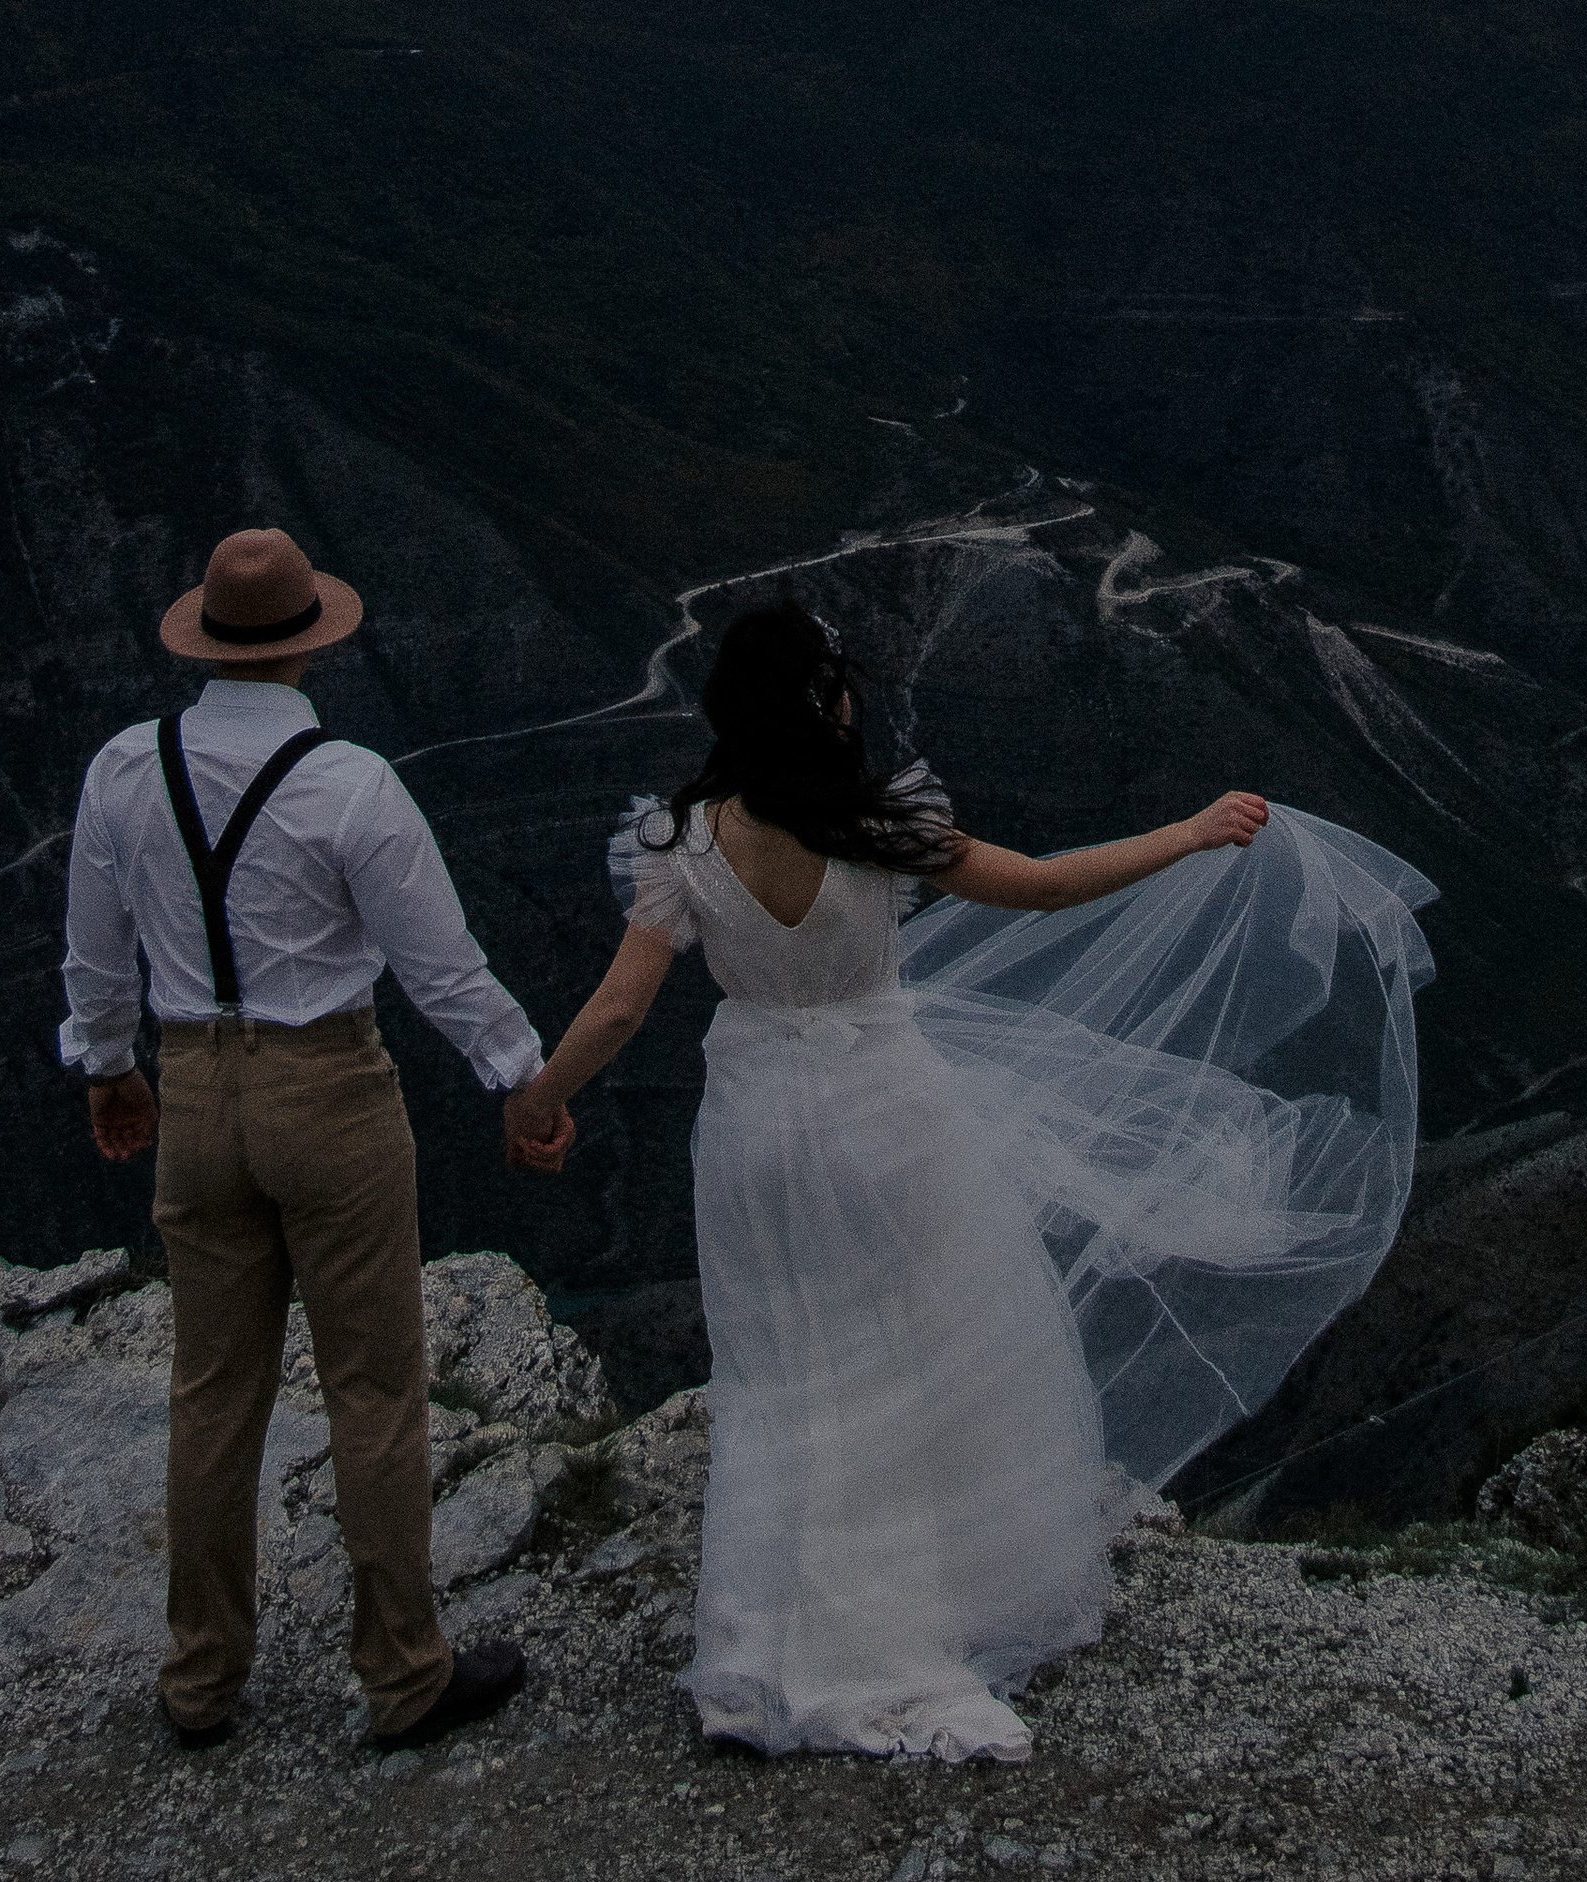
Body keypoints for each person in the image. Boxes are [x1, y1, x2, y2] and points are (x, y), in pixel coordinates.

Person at [504, 599, 1434, 1762]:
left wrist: (541, 1098)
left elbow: (624, 1003)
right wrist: (1189, 834)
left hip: (758, 1129)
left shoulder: (678, 845)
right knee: (911, 1350)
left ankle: (757, 1648)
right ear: (827, 701)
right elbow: (1043, 886)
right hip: (890, 1114)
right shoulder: (879, 824)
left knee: (782, 1367)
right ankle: (916, 1613)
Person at [60, 523, 568, 1750]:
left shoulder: (125, 770)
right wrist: (526, 1083)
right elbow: (444, 970)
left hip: (194, 1091)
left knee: (212, 1395)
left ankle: (199, 1681)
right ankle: (402, 1673)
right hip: (329, 1091)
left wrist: (110, 1069)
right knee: (375, 1393)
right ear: (309, 643)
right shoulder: (351, 785)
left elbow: (93, 948)